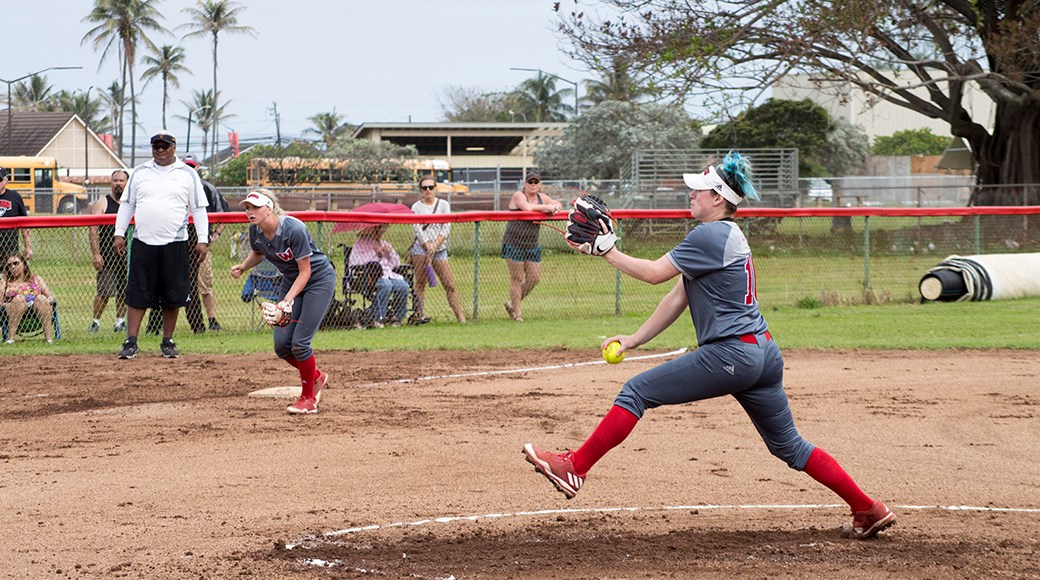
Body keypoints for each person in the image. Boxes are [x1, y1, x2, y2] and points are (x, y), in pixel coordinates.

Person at [522, 152, 896, 540]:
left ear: (718, 198)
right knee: (790, 447)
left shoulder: (709, 234)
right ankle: (867, 508)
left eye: (698, 190)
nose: (691, 194)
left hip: (731, 354)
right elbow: (676, 297)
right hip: (763, 353)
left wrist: (608, 251)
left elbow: (654, 274)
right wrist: (633, 339)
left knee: (636, 392)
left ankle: (575, 467)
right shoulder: (726, 234)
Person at [230, 190, 334, 415]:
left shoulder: (293, 229)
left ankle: (308, 399)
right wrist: (243, 267)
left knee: (300, 343)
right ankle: (317, 376)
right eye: (247, 208)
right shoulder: (255, 230)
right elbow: (259, 252)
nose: (250, 212)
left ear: (269, 208)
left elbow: (305, 271)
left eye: (255, 207)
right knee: (282, 345)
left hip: (317, 281)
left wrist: (286, 301)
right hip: (290, 280)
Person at [113, 130, 209, 360]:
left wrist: (203, 239)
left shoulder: (187, 174)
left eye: (165, 146)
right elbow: (127, 205)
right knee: (137, 292)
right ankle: (131, 341)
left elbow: (198, 209)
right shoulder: (140, 172)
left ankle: (168, 340)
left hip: (175, 242)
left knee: (172, 294)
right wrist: (119, 233)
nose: (160, 150)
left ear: (173, 148)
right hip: (143, 241)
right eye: (156, 146)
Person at [499, 171, 562, 322]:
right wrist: (547, 207)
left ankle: (511, 304)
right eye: (530, 182)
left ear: (540, 185)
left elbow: (557, 203)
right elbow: (527, 208)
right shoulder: (518, 195)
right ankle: (517, 314)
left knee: (534, 278)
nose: (533, 185)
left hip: (532, 244)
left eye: (535, 182)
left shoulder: (542, 198)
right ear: (525, 184)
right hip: (514, 243)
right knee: (517, 278)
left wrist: (555, 206)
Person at [410, 175, 465, 323]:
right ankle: (419, 316)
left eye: (430, 187)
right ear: (420, 190)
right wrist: (427, 245)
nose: (428, 190)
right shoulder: (416, 207)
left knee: (450, 284)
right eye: (424, 188)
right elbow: (417, 229)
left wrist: (435, 246)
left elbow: (446, 227)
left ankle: (461, 318)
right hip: (421, 249)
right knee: (420, 284)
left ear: (435, 188)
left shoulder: (443, 205)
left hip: (439, 249)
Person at [184, 154, 228, 332]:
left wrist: (215, 234)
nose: (189, 169)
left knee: (204, 283)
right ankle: (158, 324)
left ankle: (212, 319)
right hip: (178, 242)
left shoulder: (208, 189)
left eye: (192, 166)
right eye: (186, 166)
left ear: (197, 168)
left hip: (201, 243)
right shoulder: (175, 187)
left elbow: (223, 215)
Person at [87, 170, 129, 333]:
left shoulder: (131, 203)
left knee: (124, 291)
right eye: (115, 180)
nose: (118, 183)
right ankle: (95, 322)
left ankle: (120, 322)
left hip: (127, 256)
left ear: (127, 183)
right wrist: (96, 254)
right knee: (104, 292)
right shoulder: (103, 202)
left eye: (121, 181)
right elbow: (93, 229)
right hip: (107, 256)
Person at [349, 223, 410, 328]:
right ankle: (378, 318)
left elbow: (396, 264)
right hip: (368, 276)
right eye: (376, 229)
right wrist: (374, 252)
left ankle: (397, 318)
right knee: (386, 285)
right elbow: (355, 262)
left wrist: (390, 253)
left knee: (403, 286)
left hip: (388, 274)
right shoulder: (359, 244)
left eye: (380, 229)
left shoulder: (383, 243)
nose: (379, 232)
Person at [1, 253, 56, 344]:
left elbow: (51, 296)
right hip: (14, 310)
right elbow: (0, 302)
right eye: (9, 265)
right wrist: (9, 305)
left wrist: (47, 300)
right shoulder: (5, 282)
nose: (13, 267)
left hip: (37, 309)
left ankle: (49, 339)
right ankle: (11, 339)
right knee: (19, 299)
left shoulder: (37, 280)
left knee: (41, 298)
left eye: (16, 263)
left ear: (24, 264)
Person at [0, 167, 33, 262]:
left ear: (6, 181)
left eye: (0, 180)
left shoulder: (15, 197)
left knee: (11, 270)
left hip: (10, 249)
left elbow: (25, 224)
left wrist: (28, 247)